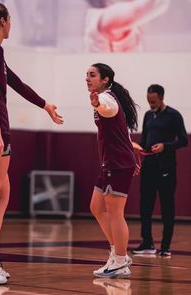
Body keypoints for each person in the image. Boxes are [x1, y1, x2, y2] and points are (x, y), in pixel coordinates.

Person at [0, 2, 63, 285]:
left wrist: (45, 105)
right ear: (3, 21)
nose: (11, 24)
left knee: (2, 193)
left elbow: (14, 82)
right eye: (10, 20)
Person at [86, 63, 138, 278]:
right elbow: (123, 130)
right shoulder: (108, 97)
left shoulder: (107, 99)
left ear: (105, 79)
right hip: (111, 162)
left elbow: (109, 108)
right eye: (86, 75)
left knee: (116, 213)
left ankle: (119, 260)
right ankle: (118, 253)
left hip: (117, 164)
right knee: (96, 207)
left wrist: (98, 104)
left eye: (92, 75)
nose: (87, 78)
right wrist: (133, 152)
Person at [131, 84, 188, 256]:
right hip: (149, 166)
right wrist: (139, 149)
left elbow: (184, 141)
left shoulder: (174, 115)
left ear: (162, 98)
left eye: (154, 101)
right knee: (145, 206)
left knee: (167, 207)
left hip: (166, 167)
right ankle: (147, 243)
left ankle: (165, 246)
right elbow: (144, 138)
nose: (151, 104)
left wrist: (165, 146)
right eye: (149, 101)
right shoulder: (148, 115)